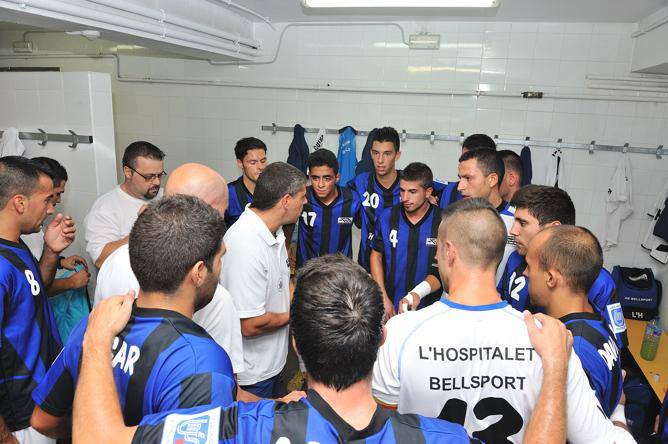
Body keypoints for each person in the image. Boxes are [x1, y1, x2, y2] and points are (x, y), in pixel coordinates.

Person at [72, 255, 482, 443]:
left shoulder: (242, 427)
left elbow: (95, 438)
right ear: (381, 339)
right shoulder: (441, 437)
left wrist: (95, 339)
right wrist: (550, 368)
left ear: (296, 344)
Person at [372, 198, 634, 443]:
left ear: (449, 252)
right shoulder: (549, 343)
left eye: (438, 250)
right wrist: (619, 414)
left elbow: (381, 431)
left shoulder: (401, 332)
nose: (436, 258)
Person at [30, 195, 236, 438]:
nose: (221, 268)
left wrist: (90, 429)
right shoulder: (201, 361)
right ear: (199, 272)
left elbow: (43, 420)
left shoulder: (96, 325)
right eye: (220, 258)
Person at [93, 163, 244, 376]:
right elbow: (223, 387)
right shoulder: (211, 294)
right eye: (221, 214)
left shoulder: (115, 259)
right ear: (207, 212)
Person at [0, 156, 75, 444]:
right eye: (46, 200)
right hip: (19, 415)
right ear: (19, 203)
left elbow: (34, 291)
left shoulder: (15, 245)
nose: (50, 209)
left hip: (40, 398)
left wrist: (52, 252)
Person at [500, 185, 627, 347]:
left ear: (554, 228)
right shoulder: (515, 260)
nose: (513, 231)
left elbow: (614, 344)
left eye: (522, 223)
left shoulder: (599, 281)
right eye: (514, 221)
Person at [220, 162, 307, 398]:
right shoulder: (245, 244)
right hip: (253, 374)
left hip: (274, 364)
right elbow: (249, 324)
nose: (306, 202)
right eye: (303, 196)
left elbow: (284, 279)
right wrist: (300, 316)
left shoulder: (275, 231)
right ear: (286, 201)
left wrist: (300, 303)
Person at [525, 225, 624, 418]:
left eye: (529, 266)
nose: (525, 274)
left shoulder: (571, 350)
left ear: (551, 278)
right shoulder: (598, 322)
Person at [370, 162, 442, 318]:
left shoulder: (443, 221)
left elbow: (443, 271)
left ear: (428, 192)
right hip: (390, 307)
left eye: (413, 191)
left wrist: (418, 293)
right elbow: (376, 255)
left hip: (429, 311)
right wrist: (383, 296)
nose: (405, 198)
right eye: (402, 191)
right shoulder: (388, 217)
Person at [84, 141, 165, 268]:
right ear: (128, 172)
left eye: (160, 175)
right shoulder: (105, 208)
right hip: (126, 286)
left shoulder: (166, 196)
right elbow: (100, 259)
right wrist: (141, 230)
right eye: (149, 176)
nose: (156, 181)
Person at [27, 157, 90, 297]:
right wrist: (70, 283)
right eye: (57, 193)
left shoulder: (33, 227)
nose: (59, 200)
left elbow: (35, 269)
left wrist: (59, 261)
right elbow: (31, 288)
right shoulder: (23, 233)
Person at [347, 127, 403, 271]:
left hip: (399, 266)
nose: (380, 160)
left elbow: (444, 189)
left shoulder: (410, 183)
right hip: (366, 265)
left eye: (387, 154)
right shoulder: (360, 182)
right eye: (376, 153)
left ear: (397, 155)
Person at [456, 149, 515, 283]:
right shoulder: (457, 219)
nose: (460, 186)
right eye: (460, 178)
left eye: (468, 178)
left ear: (492, 179)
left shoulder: (517, 221)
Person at [296, 149, 361, 268]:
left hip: (341, 274)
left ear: (337, 177)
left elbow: (365, 227)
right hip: (307, 273)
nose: (320, 184)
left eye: (327, 178)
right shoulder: (301, 198)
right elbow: (287, 229)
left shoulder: (352, 199)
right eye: (315, 178)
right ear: (309, 177)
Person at [438, 133, 497, 210]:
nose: (460, 187)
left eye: (468, 178)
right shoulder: (450, 191)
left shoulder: (511, 214)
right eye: (464, 157)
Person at [225, 137, 267, 227]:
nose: (261, 167)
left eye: (263, 161)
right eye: (253, 162)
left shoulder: (274, 190)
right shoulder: (227, 194)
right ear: (240, 163)